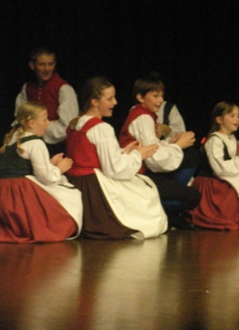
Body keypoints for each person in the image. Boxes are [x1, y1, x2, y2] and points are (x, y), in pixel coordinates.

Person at [64, 77, 167, 239]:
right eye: (110, 99)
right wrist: (138, 155)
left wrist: (123, 151)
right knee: (145, 195)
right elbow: (115, 169)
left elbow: (90, 154)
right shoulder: (102, 128)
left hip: (76, 183)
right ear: (94, 102)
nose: (115, 102)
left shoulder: (74, 123)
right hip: (93, 186)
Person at [0, 101, 82, 242]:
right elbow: (46, 177)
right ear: (31, 123)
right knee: (71, 195)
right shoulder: (36, 143)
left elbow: (24, 167)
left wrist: (50, 163)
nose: (48, 123)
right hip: (19, 192)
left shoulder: (11, 140)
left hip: (1, 190)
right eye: (45, 119)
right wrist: (59, 169)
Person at [118, 74, 200, 229]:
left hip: (147, 170)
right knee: (192, 197)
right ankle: (161, 209)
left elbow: (153, 146)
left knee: (190, 156)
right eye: (155, 96)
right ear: (140, 97)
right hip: (139, 175)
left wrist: (170, 142)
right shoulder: (142, 117)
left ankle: (165, 208)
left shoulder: (144, 114)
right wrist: (177, 146)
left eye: (162, 96)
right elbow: (153, 158)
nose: (161, 100)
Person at [189, 102, 239, 230]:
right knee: (238, 186)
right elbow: (219, 168)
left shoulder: (234, 140)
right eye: (232, 116)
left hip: (227, 177)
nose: (237, 119)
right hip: (213, 182)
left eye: (238, 116)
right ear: (219, 119)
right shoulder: (214, 141)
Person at [14, 48, 79, 155]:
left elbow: (67, 124)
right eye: (42, 64)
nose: (47, 69)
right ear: (32, 65)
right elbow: (20, 115)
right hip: (31, 143)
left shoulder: (63, 89)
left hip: (57, 146)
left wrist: (39, 131)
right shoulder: (27, 87)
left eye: (50, 64)